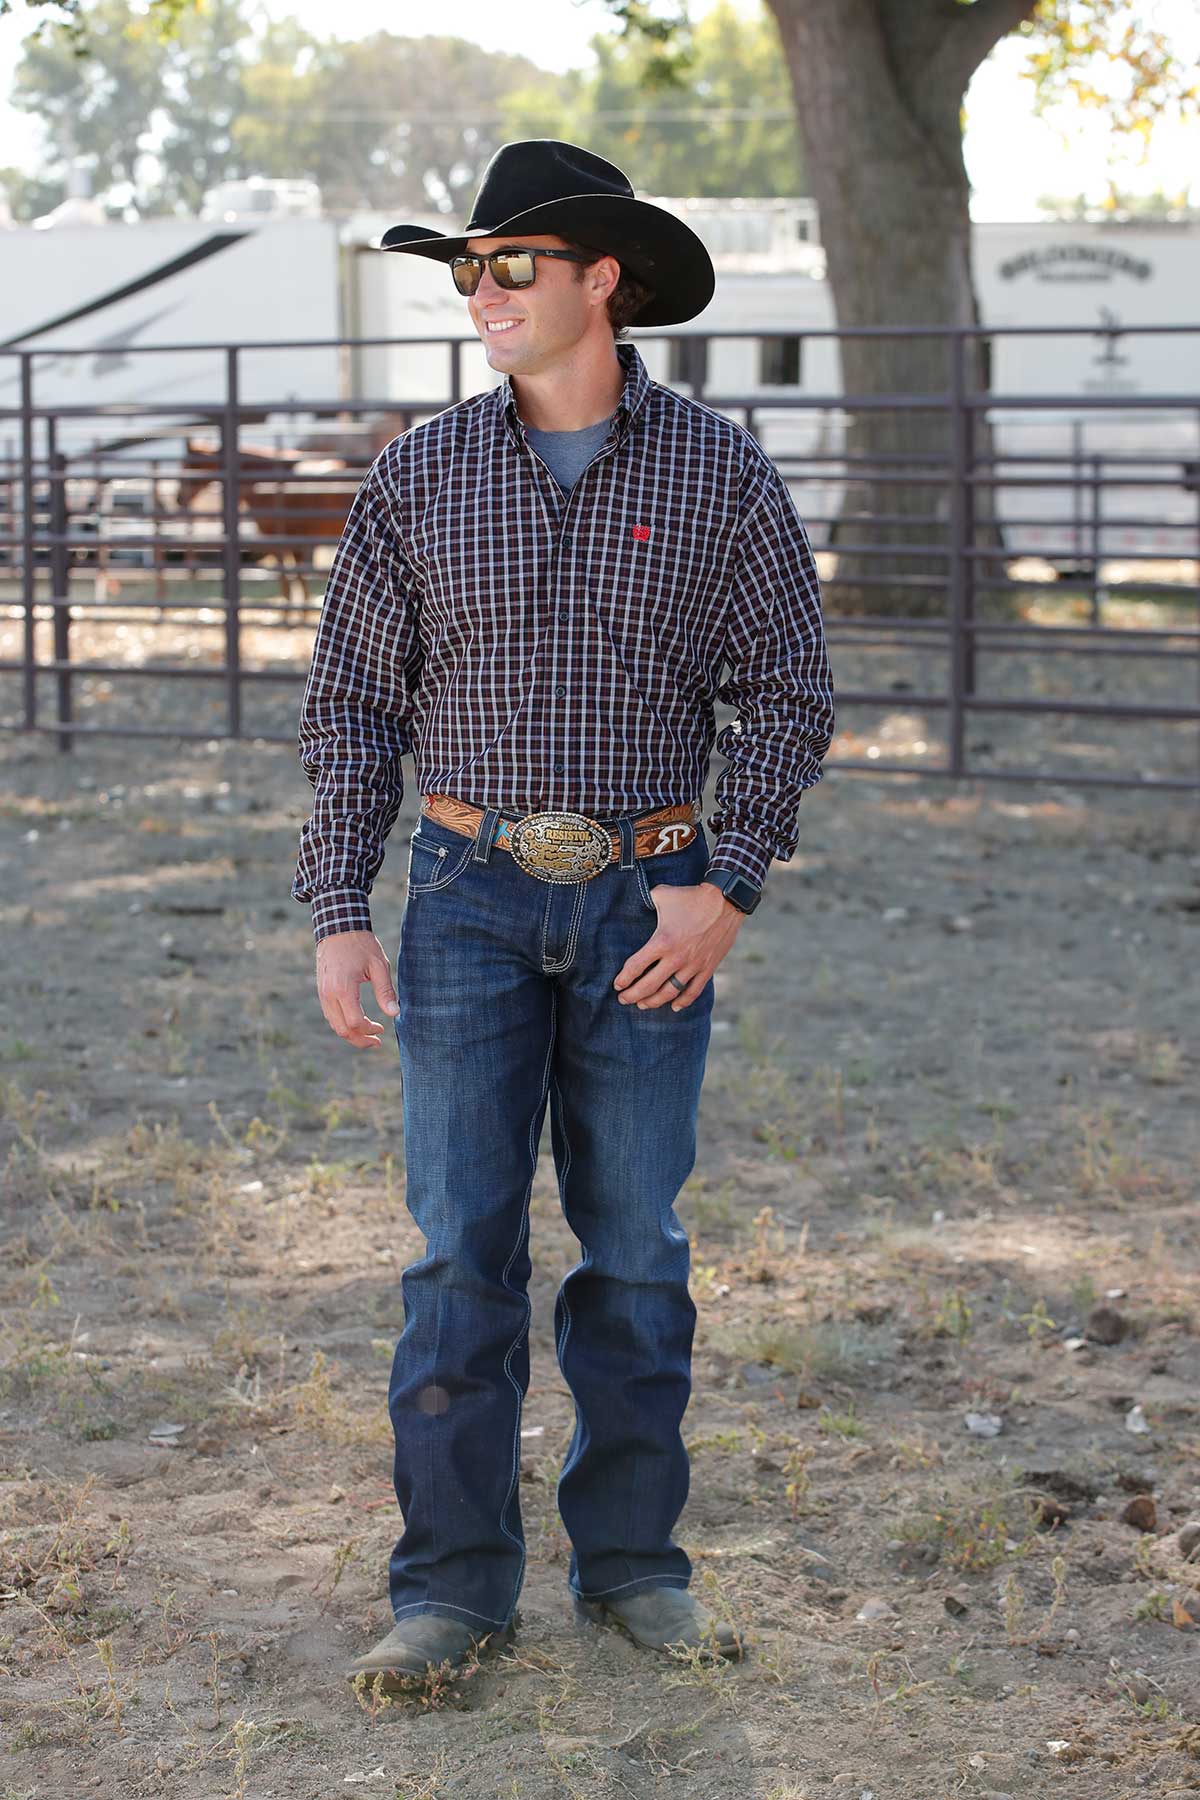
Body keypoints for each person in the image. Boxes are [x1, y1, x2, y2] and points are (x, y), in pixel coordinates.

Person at [291, 138, 835, 1688]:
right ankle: (453, 1589)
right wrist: (341, 905)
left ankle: (633, 1564)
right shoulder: (418, 474)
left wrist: (728, 885)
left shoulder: (718, 471)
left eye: (508, 266)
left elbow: (790, 695)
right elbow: (349, 712)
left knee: (636, 1251)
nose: (480, 294)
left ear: (605, 278)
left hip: (646, 904)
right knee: (459, 1254)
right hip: (460, 896)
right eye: (465, 271)